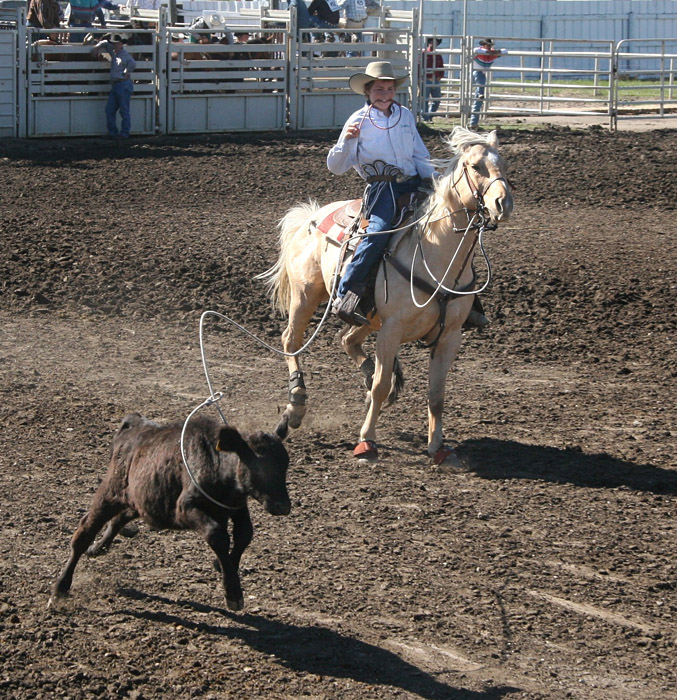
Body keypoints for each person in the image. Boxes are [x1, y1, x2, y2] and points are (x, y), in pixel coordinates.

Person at [326, 60, 436, 325]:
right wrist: (346, 141)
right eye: (379, 89)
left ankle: (463, 300)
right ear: (368, 91)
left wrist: (434, 180)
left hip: (413, 182)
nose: (385, 94)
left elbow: (419, 154)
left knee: (453, 222)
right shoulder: (356, 121)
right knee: (378, 232)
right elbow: (336, 167)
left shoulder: (405, 115)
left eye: (389, 89)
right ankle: (346, 293)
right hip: (382, 187)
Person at [90, 33, 136, 139]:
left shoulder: (124, 55)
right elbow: (105, 42)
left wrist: (127, 72)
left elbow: (133, 63)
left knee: (123, 110)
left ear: (120, 44)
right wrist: (98, 47)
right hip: (117, 84)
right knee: (110, 110)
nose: (114, 46)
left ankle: (123, 133)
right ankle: (115, 132)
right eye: (114, 44)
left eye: (116, 44)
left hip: (122, 84)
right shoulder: (115, 52)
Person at [469, 37, 507, 129]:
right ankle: (473, 122)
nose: (489, 47)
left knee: (478, 99)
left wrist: (494, 52)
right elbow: (475, 50)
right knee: (479, 92)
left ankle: (473, 122)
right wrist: (489, 52)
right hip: (476, 72)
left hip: (480, 73)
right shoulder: (479, 51)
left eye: (490, 45)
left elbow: (505, 51)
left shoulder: (492, 52)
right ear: (483, 45)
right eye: (487, 45)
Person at [423, 37, 444, 122]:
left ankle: (430, 115)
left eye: (436, 43)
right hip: (426, 79)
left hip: (435, 79)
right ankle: (426, 117)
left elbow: (441, 67)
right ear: (429, 43)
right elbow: (420, 66)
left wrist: (440, 76)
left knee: (437, 99)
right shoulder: (424, 54)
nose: (434, 44)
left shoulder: (438, 55)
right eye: (433, 42)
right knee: (425, 99)